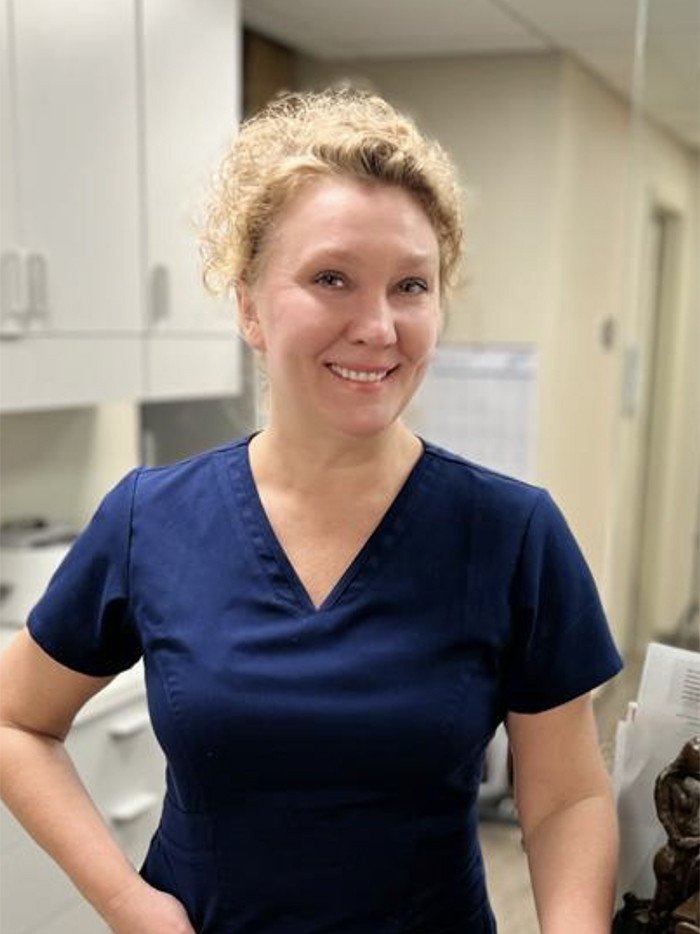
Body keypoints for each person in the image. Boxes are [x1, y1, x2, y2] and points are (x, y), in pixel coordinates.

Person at [0, 86, 623, 934]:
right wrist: (127, 903)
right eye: (332, 278)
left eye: (411, 285)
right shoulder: (153, 519)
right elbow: (16, 721)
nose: (377, 326)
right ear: (250, 307)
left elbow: (565, 799)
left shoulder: (511, 534)